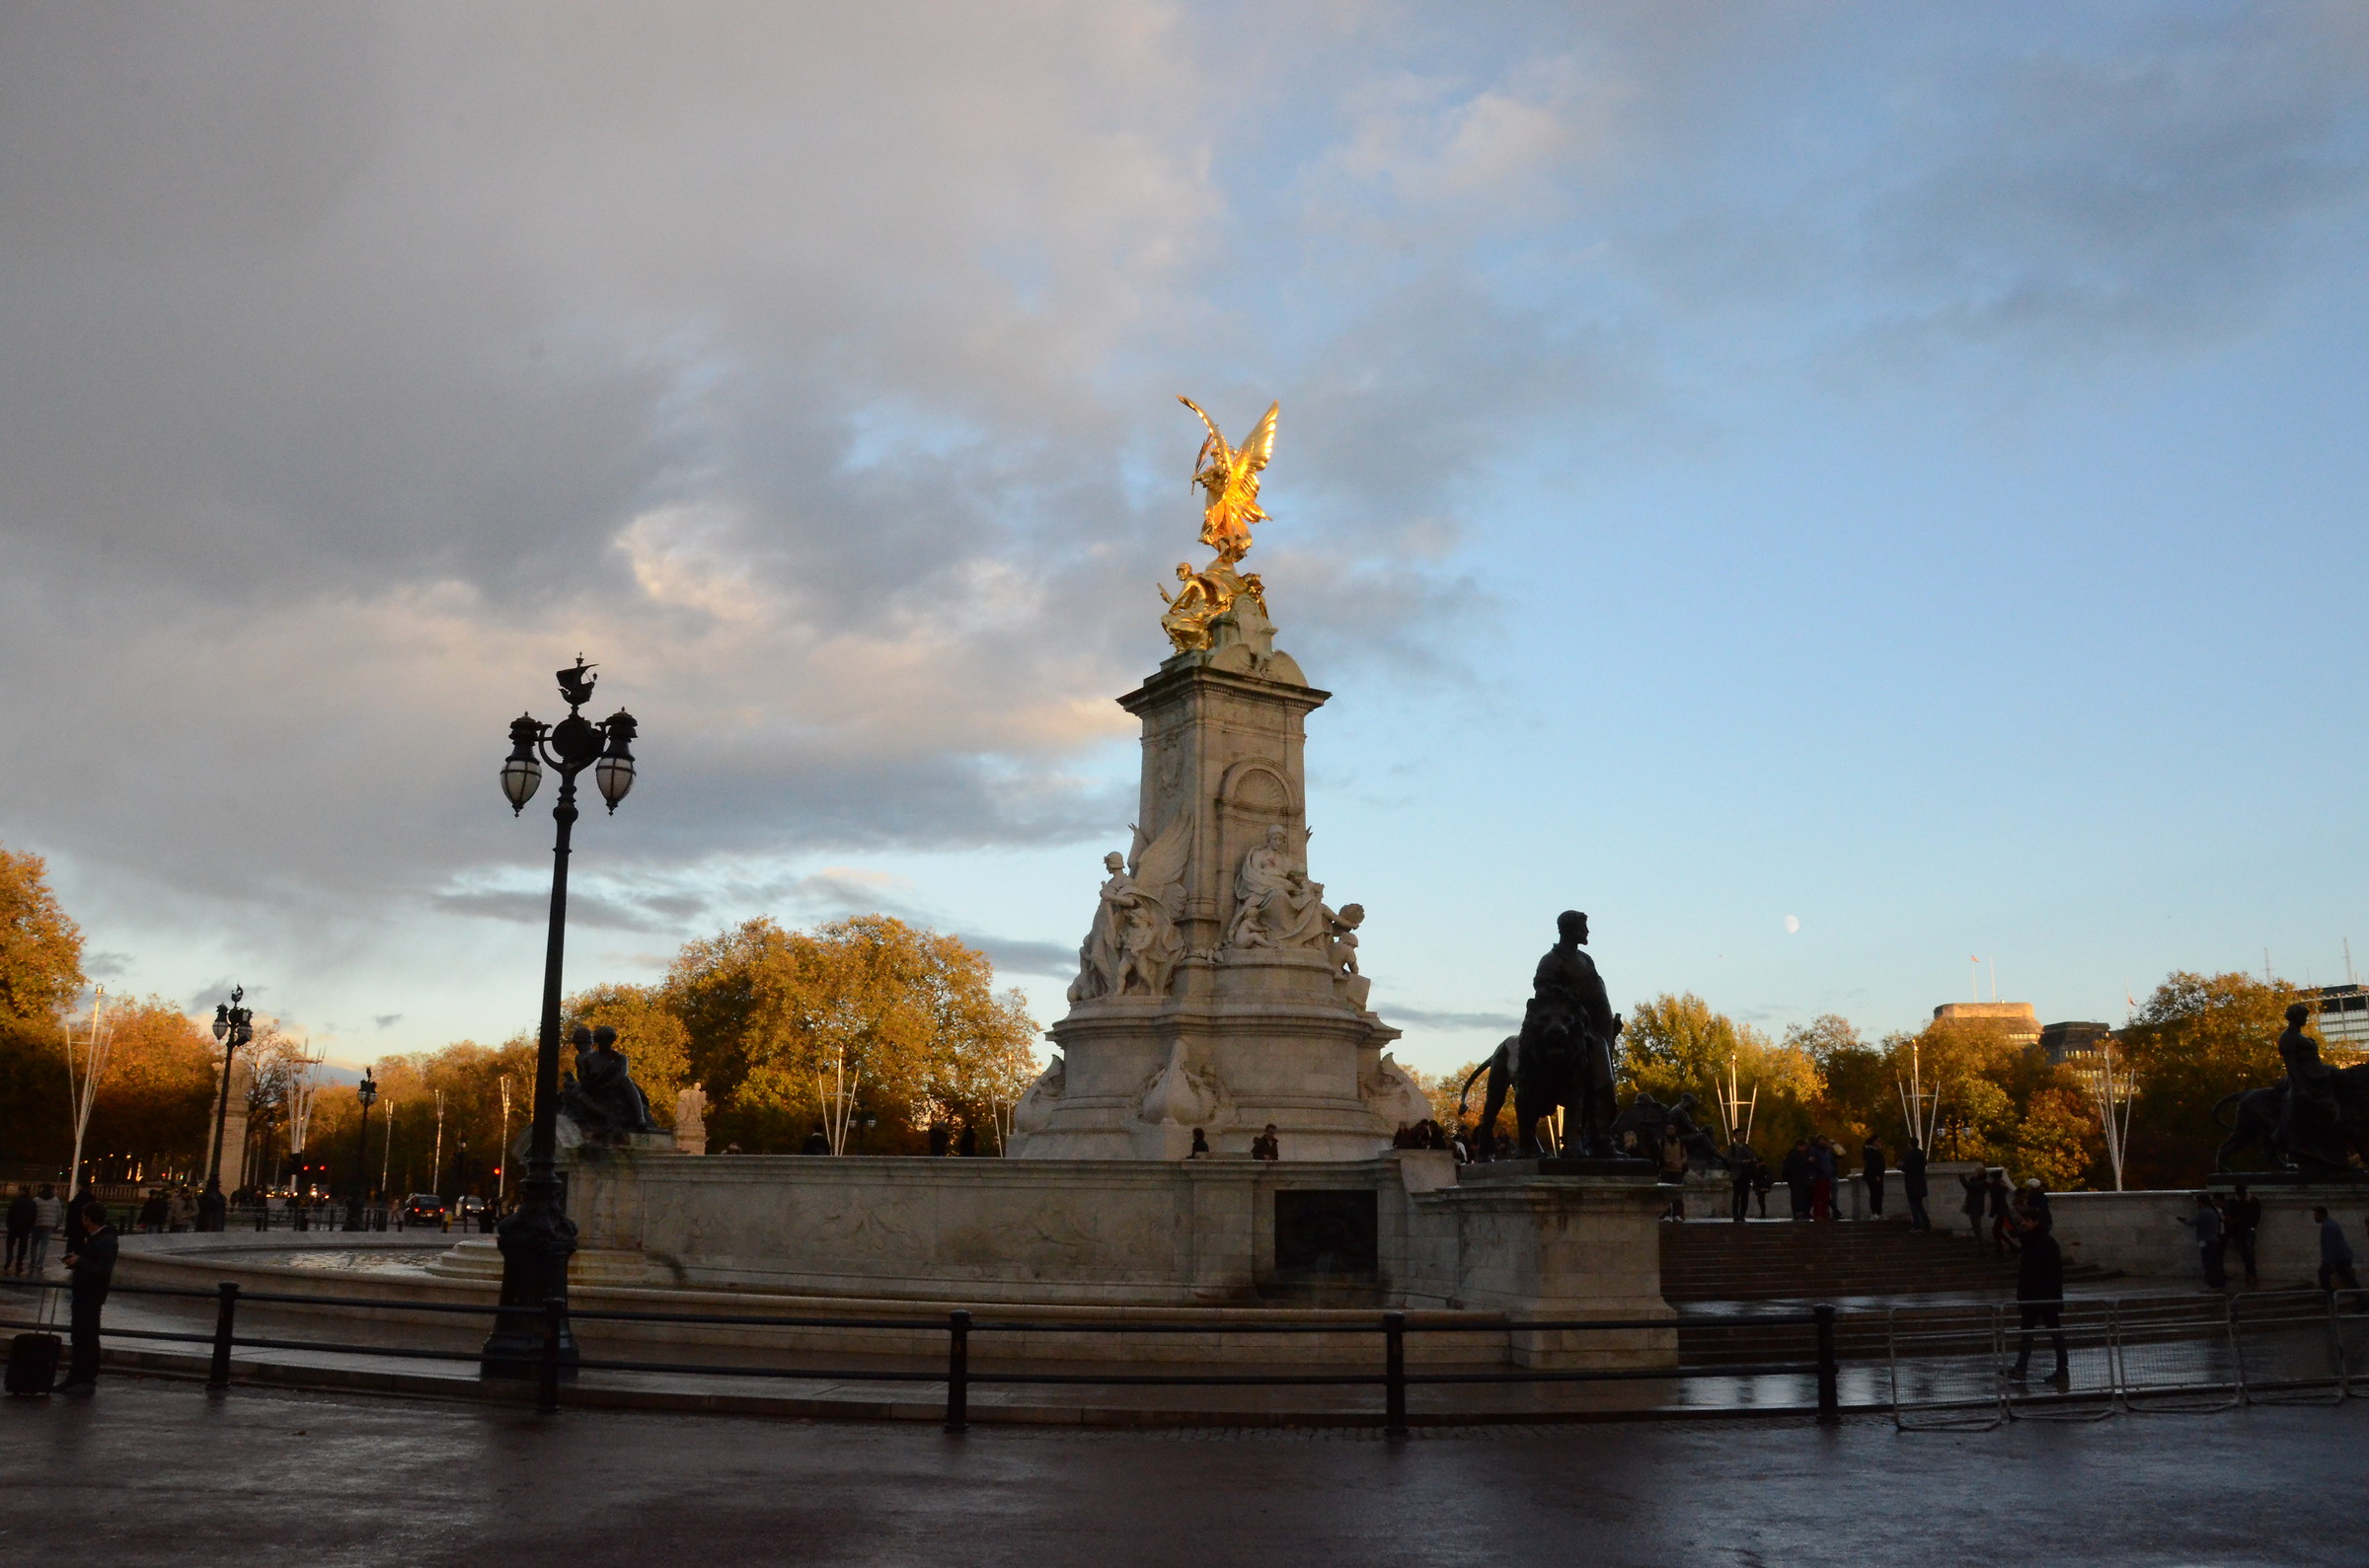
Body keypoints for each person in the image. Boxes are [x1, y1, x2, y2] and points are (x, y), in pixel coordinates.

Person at [58, 1198, 118, 1392]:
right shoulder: (100, 1238)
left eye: (84, 1218)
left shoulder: (106, 1241)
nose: (82, 1221)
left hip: (91, 1293)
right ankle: (77, 1376)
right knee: (80, 1335)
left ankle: (84, 1377)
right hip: (86, 1292)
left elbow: (102, 1269)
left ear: (90, 1219)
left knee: (87, 1336)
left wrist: (79, 1262)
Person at [2008, 1217, 2070, 1386]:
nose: (2023, 1224)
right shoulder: (2032, 1241)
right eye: (2022, 1221)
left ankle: (2062, 1371)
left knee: (2054, 1335)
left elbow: (2051, 1272)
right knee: (2028, 1334)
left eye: (2027, 1221)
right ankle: (2021, 1368)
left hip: (2044, 1297)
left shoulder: (2045, 1242)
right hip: (2033, 1297)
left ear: (2036, 1222)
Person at [2177, 1193, 2226, 1290]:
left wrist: (2183, 1220)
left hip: (2207, 1241)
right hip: (2213, 1240)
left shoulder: (2204, 1212)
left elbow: (2192, 1223)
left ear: (2201, 1202)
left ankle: (2212, 1283)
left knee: (2208, 1262)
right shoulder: (2212, 1212)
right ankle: (2217, 1282)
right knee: (2214, 1263)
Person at [2222, 1183, 2261, 1289]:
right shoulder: (2252, 1201)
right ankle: (2251, 1273)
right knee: (2247, 1252)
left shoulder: (2235, 1202)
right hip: (2245, 1229)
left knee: (2246, 1252)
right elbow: (2256, 1216)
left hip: (2241, 1229)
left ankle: (2250, 1273)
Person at [2316, 1207, 2360, 1298]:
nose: (2315, 1218)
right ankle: (2362, 1301)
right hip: (2343, 1257)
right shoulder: (2332, 1224)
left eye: (2316, 1215)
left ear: (2321, 1215)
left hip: (2339, 1258)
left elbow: (2330, 1245)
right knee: (2349, 1279)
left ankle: (2330, 1297)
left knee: (2323, 1274)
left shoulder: (2327, 1227)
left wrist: (2330, 1263)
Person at [1899, 1137, 1931, 1232]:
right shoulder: (1921, 1154)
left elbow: (1903, 1167)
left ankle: (1917, 1225)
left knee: (1914, 1205)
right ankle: (1926, 1224)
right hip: (1920, 1182)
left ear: (1910, 1144)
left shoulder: (1909, 1155)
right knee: (1920, 1205)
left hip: (1911, 1183)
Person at [29, 1183, 61, 1273]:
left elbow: (31, 1212)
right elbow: (59, 1214)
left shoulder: (36, 1200)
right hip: (49, 1224)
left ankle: (32, 1261)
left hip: (37, 1224)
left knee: (34, 1244)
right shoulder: (55, 1200)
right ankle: (40, 1263)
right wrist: (57, 1224)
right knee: (44, 1244)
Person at [1985, 1169, 2018, 1256]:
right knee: (1997, 1231)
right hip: (2003, 1210)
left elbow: (1995, 1200)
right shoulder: (2002, 1186)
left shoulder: (1995, 1186)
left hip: (2000, 1211)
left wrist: (1992, 1212)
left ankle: (2004, 1249)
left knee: (1996, 1231)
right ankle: (2009, 1247)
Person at [1726, 1138, 1756, 1224]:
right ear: (1735, 1136)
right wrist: (1741, 1162)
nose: (1741, 1136)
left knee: (1745, 1196)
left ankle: (1742, 1214)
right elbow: (1729, 1160)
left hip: (1746, 1175)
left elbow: (1753, 1156)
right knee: (1736, 1196)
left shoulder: (1747, 1147)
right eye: (1739, 1134)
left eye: (1742, 1134)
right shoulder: (1732, 1148)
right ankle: (1736, 1215)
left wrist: (1752, 1160)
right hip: (1737, 1175)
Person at [4, 1186, 32, 1275]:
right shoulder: (31, 1203)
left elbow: (9, 1214)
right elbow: (33, 1216)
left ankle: (9, 1257)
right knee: (22, 1246)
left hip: (14, 1227)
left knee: (10, 1244)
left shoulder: (15, 1202)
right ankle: (19, 1262)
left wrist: (9, 1225)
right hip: (25, 1228)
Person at [1782, 1139, 1811, 1221]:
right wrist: (1807, 1161)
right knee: (1797, 1197)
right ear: (1799, 1146)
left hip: (1801, 1179)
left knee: (1803, 1196)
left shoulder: (1801, 1154)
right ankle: (1798, 1213)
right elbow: (1796, 1166)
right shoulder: (1794, 1155)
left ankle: (1802, 1212)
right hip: (1796, 1180)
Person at [1809, 1136, 1836, 1223]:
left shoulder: (1828, 1151)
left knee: (1826, 1196)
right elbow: (1811, 1161)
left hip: (1827, 1175)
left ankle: (1825, 1213)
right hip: (1819, 1175)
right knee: (1818, 1196)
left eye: (1824, 1140)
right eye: (1821, 1140)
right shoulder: (1815, 1150)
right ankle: (1818, 1214)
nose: (1823, 1142)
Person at [1861, 1136, 1887, 1221]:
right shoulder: (1871, 1152)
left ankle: (1878, 1213)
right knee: (1876, 1194)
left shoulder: (1873, 1151)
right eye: (1878, 1141)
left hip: (1875, 1175)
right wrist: (1877, 1175)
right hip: (1874, 1176)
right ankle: (1875, 1213)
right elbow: (1873, 1165)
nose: (1880, 1143)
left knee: (1878, 1194)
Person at [1959, 1168, 1987, 1242]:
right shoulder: (1980, 1183)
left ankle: (1982, 1249)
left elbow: (1967, 1185)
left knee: (1977, 1230)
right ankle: (1981, 1249)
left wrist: (1961, 1177)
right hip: (1975, 1208)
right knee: (1976, 1229)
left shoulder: (1980, 1183)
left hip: (1975, 1209)